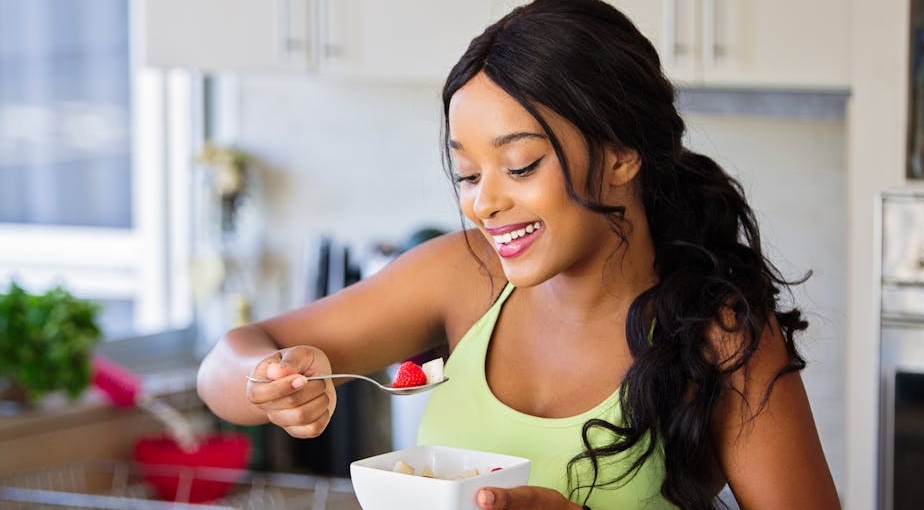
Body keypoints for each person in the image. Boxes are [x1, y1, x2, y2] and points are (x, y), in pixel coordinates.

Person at [196, 0, 841, 508]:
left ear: (621, 155)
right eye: (469, 176)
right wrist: (269, 382)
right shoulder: (463, 276)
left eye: (520, 165)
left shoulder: (721, 339)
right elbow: (225, 364)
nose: (484, 204)